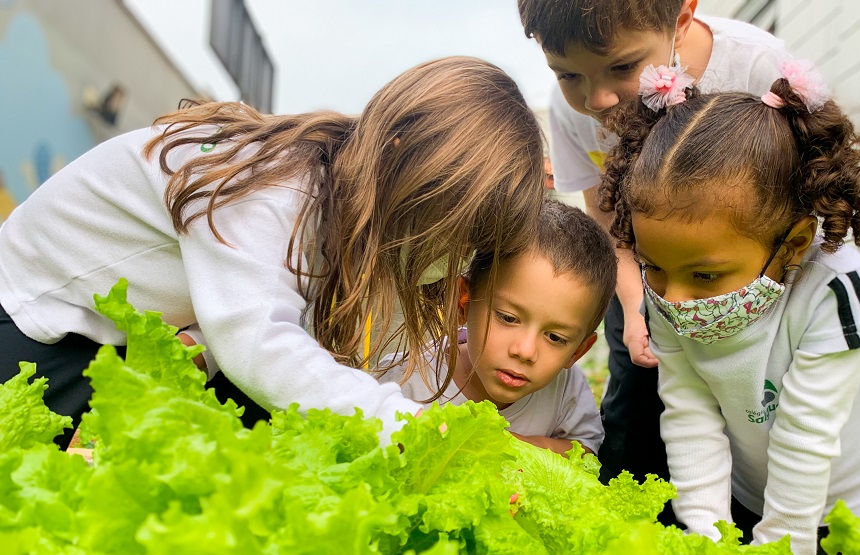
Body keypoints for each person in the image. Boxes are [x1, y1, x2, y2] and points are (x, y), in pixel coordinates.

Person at [0, 57, 544, 449]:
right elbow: (260, 344)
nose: (449, 258)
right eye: (444, 229)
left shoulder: (362, 209)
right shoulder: (277, 186)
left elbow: (355, 371)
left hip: (128, 344)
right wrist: (417, 429)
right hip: (36, 323)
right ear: (399, 160)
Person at [599, 59, 860, 555]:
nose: (676, 299)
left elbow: (806, 435)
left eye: (705, 276)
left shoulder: (831, 288)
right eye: (653, 266)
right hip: (757, 498)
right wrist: (710, 543)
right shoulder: (664, 290)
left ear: (794, 245)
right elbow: (689, 416)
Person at [518, 0, 795, 493]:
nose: (597, 98)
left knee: (753, 411)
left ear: (682, 18)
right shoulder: (571, 110)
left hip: (748, 282)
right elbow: (606, 218)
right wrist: (635, 304)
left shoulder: (756, 65)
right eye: (568, 75)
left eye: (622, 67)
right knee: (635, 412)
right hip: (642, 273)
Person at [379, 200, 616, 457]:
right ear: (464, 304)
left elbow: (585, 448)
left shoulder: (565, 389)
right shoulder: (406, 382)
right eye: (508, 318)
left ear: (577, 352)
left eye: (555, 337)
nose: (525, 351)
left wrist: (511, 446)